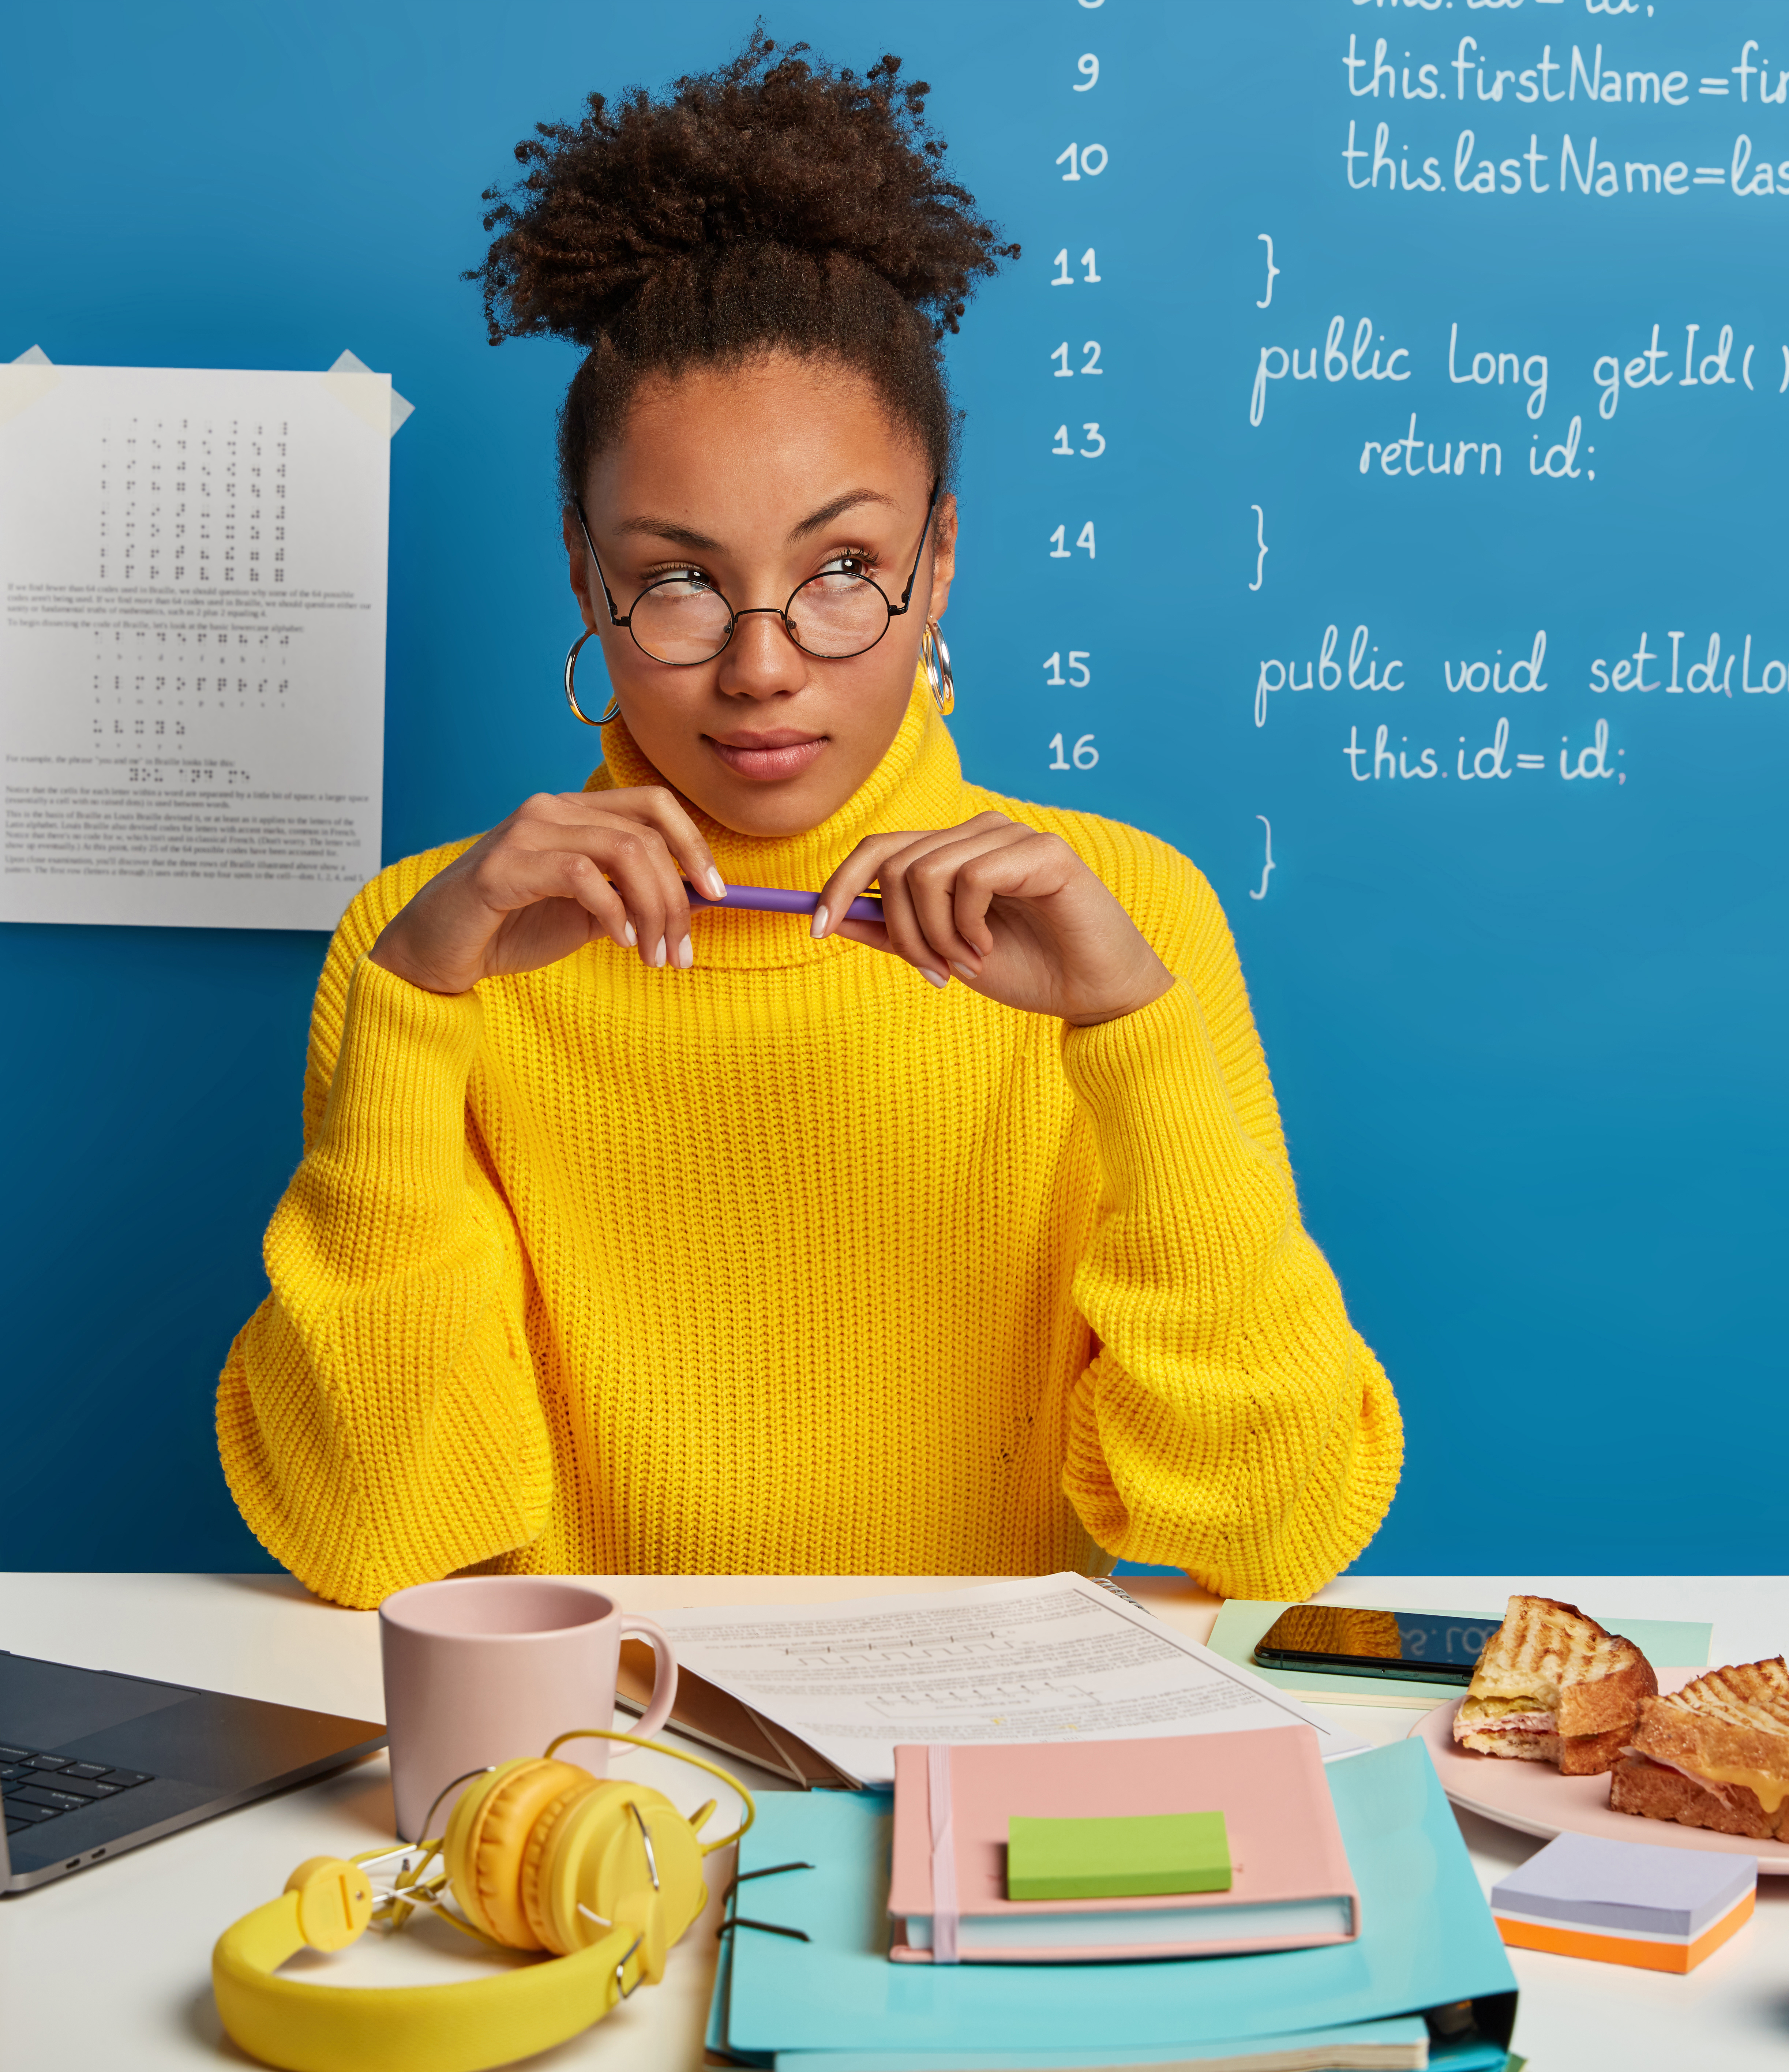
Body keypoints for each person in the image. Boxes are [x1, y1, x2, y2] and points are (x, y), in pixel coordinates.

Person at [217, 38, 1398, 1607]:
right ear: (585, 577)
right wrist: (416, 1014)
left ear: (940, 560)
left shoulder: (1123, 912)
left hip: (984, 1732)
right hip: (587, 1733)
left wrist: (1129, 1034)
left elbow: (1278, 1531)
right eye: (679, 578)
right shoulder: (433, 940)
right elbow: (373, 1536)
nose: (763, 667)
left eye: (843, 570)